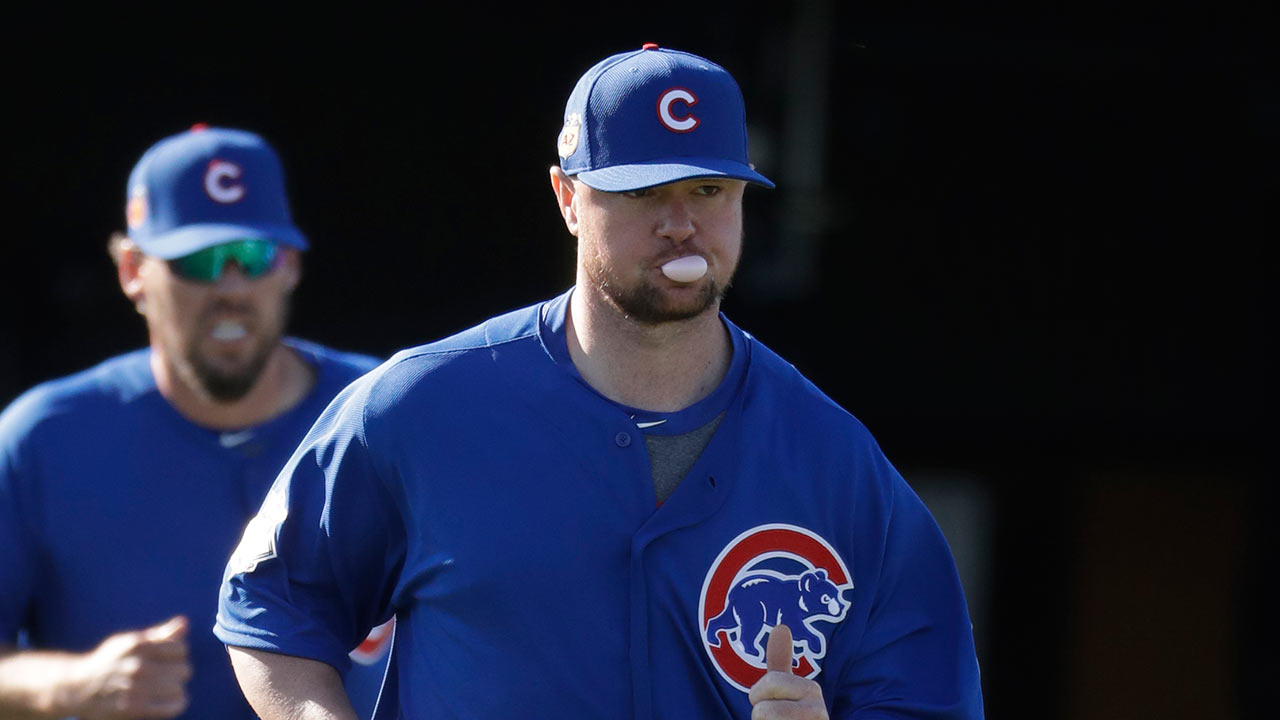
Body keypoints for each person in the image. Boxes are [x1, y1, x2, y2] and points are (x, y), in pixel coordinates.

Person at [215, 45, 985, 719]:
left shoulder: (835, 460)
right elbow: (270, 610)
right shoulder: (420, 406)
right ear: (567, 198)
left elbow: (925, 695)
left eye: (709, 191)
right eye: (644, 191)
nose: (680, 223)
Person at [0, 125, 391, 719]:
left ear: (290, 265)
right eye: (198, 261)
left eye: (255, 256)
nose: (231, 287)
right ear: (133, 269)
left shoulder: (387, 412)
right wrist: (71, 686)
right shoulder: (42, 439)